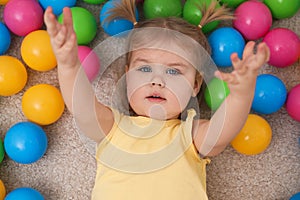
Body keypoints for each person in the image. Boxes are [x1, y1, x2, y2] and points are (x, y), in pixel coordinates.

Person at [44, 0, 270, 199]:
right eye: (144, 68)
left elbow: (223, 131)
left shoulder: (189, 134)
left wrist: (242, 94)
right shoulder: (114, 127)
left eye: (173, 71)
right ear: (126, 76)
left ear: (194, 85)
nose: (157, 81)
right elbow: (81, 108)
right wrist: (69, 64)